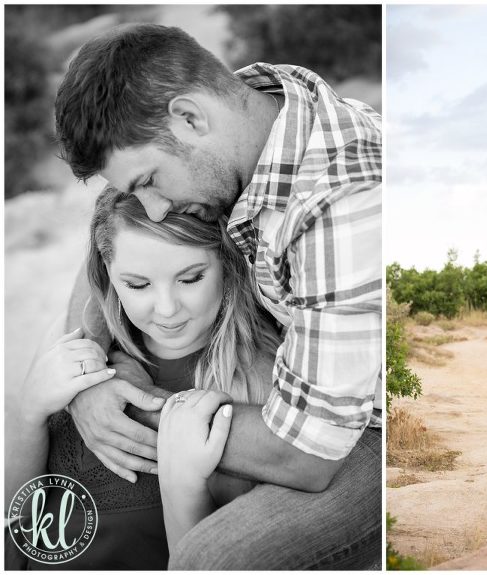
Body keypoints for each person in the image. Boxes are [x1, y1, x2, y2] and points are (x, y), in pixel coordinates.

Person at [53, 23, 381, 569]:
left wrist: (127, 406)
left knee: (213, 557)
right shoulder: (245, 133)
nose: (154, 208)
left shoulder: (342, 203)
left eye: (150, 181)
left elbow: (306, 452)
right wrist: (98, 370)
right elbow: (109, 254)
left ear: (189, 117)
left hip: (361, 428)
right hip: (289, 392)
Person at [6, 189, 278, 569]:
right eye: (137, 284)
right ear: (107, 276)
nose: (166, 309)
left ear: (226, 264)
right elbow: (14, 533)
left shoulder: (252, 386)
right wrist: (28, 414)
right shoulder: (75, 338)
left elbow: (210, 561)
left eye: (190, 278)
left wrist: (181, 485)